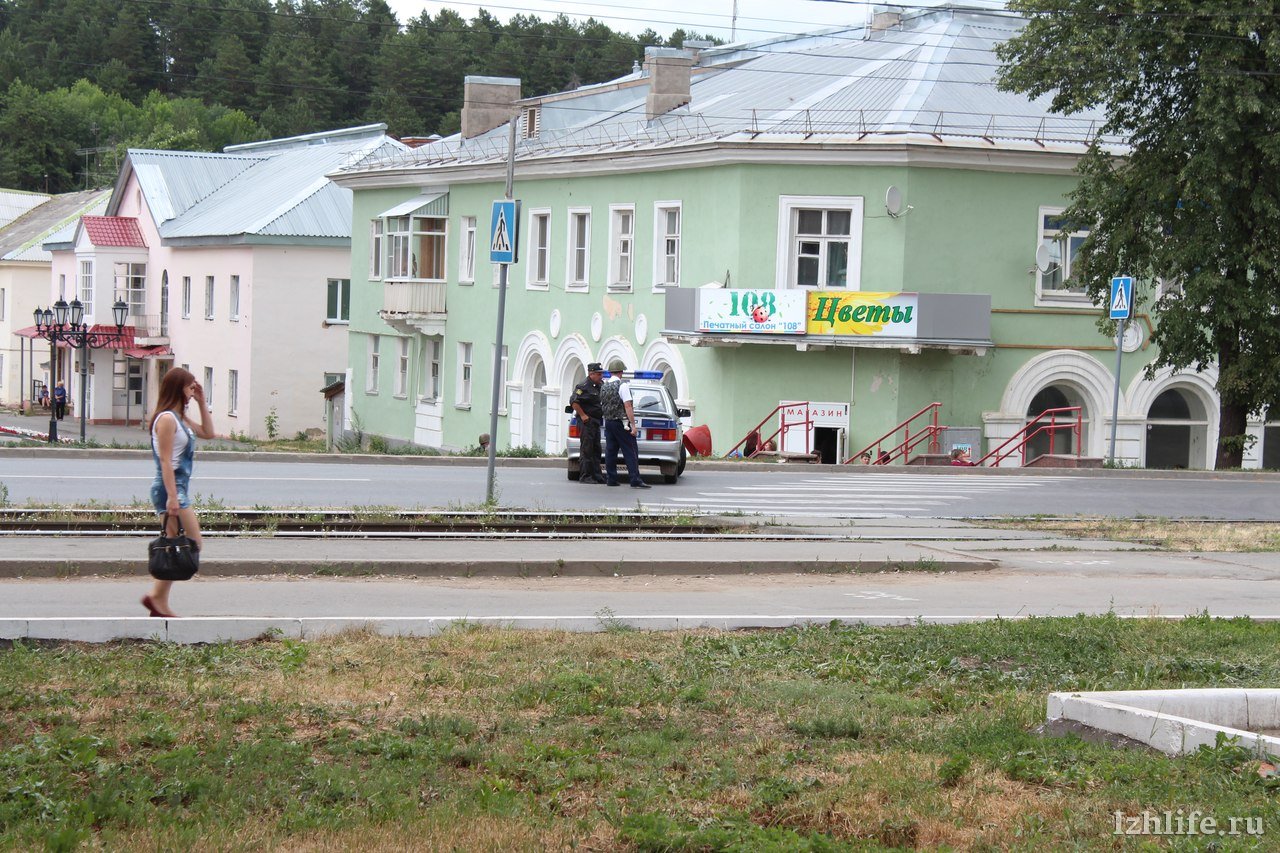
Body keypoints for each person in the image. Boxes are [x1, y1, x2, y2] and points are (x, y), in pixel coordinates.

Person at [142, 368, 215, 618]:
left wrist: (203, 403)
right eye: (190, 388)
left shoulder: (180, 417)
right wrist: (173, 497)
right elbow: (165, 461)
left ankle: (158, 600)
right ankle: (156, 597)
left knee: (175, 544)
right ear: (178, 388)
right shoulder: (166, 419)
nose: (192, 392)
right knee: (193, 542)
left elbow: (209, 433)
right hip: (168, 488)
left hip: (177, 487)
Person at [599, 365, 651, 489]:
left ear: (610, 372)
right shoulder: (623, 385)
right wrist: (633, 425)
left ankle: (611, 479)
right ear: (621, 372)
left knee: (610, 451)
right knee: (631, 450)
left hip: (609, 422)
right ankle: (635, 479)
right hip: (622, 423)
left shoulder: (604, 386)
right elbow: (628, 405)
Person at [571, 363, 606, 484]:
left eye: (601, 373)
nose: (601, 376)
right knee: (587, 449)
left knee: (596, 449)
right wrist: (582, 415)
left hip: (596, 421)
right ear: (591, 374)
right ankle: (585, 476)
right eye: (599, 374)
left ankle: (597, 475)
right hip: (587, 422)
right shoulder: (583, 386)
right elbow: (574, 402)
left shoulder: (600, 385)